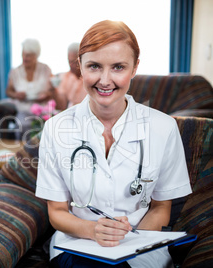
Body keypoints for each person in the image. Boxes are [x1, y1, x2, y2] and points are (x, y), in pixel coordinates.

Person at [35, 20, 192, 268]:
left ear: (135, 67)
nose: (105, 80)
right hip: (77, 243)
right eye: (94, 66)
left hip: (140, 243)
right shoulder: (55, 129)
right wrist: (92, 230)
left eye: (118, 67)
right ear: (80, 67)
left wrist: (126, 239)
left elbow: (161, 207)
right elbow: (57, 212)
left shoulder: (163, 127)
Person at [5, 38, 53, 140]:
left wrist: (46, 95)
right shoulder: (15, 72)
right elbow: (8, 91)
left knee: (47, 127)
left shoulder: (45, 69)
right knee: (23, 125)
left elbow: (53, 90)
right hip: (24, 110)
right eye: (23, 54)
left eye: (28, 56)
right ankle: (22, 153)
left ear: (36, 56)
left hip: (42, 110)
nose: (24, 58)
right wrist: (16, 95)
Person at [53, 42, 87, 110]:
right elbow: (62, 106)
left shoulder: (90, 79)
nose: (71, 65)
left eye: (74, 62)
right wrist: (53, 91)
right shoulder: (65, 77)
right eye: (69, 61)